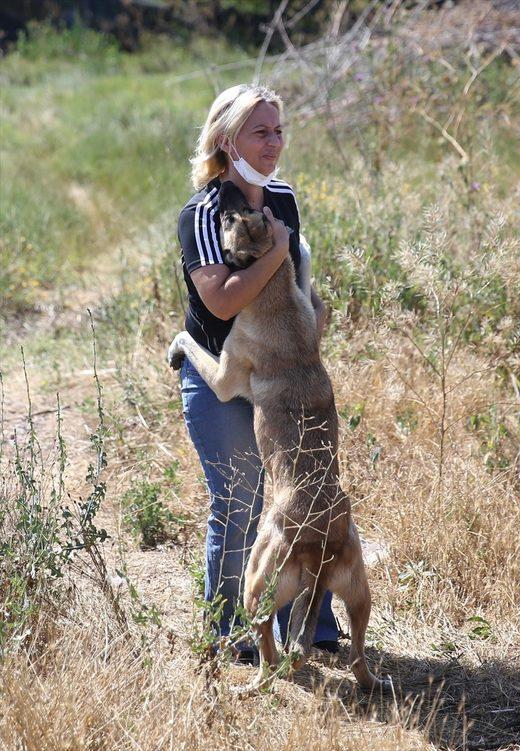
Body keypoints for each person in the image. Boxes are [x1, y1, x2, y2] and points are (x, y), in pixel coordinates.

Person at [176, 84, 340, 662]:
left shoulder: (284, 197)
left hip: (286, 375)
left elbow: (296, 279)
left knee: (308, 495)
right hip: (223, 371)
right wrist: (274, 252)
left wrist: (313, 314)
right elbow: (221, 302)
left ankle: (312, 628)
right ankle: (228, 635)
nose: (273, 144)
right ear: (227, 141)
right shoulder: (203, 213)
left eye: (277, 131)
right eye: (259, 132)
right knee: (239, 503)